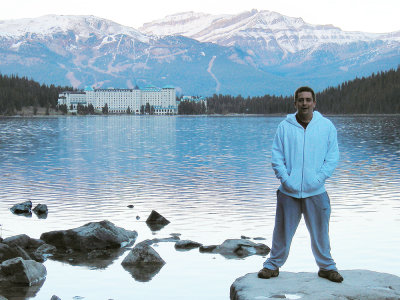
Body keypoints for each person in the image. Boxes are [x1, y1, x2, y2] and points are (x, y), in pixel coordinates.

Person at [258, 86, 343, 283]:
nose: (304, 103)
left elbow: (332, 158)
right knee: (281, 231)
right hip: (288, 191)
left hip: (316, 191)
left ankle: (327, 267)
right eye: (300, 100)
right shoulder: (284, 127)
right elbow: (276, 157)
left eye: (308, 100)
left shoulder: (326, 126)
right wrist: (286, 180)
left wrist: (319, 179)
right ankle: (272, 265)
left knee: (321, 233)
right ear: (295, 103)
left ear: (314, 102)